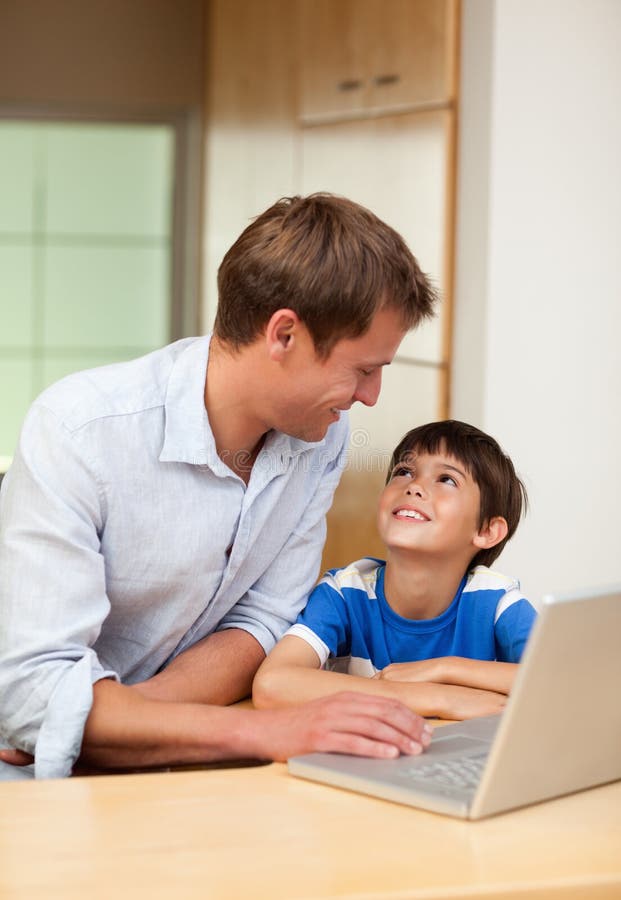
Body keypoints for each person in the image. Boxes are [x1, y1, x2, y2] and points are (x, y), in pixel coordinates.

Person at [0, 194, 438, 779]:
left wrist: (110, 727)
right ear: (284, 334)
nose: (371, 395)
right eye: (363, 369)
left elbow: (263, 619)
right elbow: (33, 691)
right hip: (33, 785)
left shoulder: (322, 437)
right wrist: (268, 732)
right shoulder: (79, 432)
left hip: (170, 761)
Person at [253, 420, 537, 719]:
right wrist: (436, 696)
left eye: (447, 479)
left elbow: (566, 680)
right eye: (404, 472)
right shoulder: (346, 593)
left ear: (487, 530)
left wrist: (442, 668)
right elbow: (273, 685)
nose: (414, 486)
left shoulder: (495, 602)